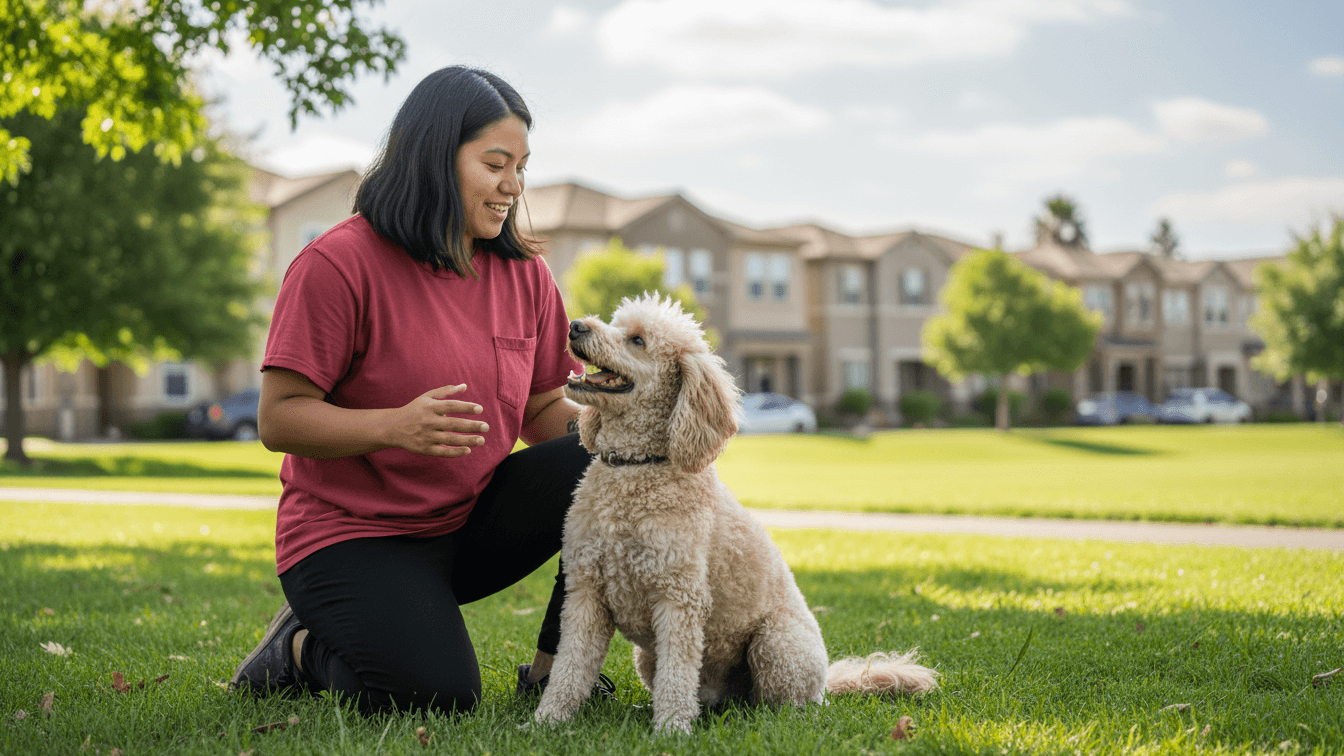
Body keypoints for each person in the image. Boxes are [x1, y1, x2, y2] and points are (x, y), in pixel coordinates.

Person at [229, 66, 611, 715]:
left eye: (521, 166)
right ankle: (297, 648)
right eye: (496, 164)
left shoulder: (524, 276)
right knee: (436, 696)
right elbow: (280, 418)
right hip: (350, 539)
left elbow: (544, 407)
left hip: (467, 526)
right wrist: (391, 427)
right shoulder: (337, 264)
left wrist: (645, 443)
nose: (513, 186)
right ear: (436, 157)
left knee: (608, 455)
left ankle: (555, 669)